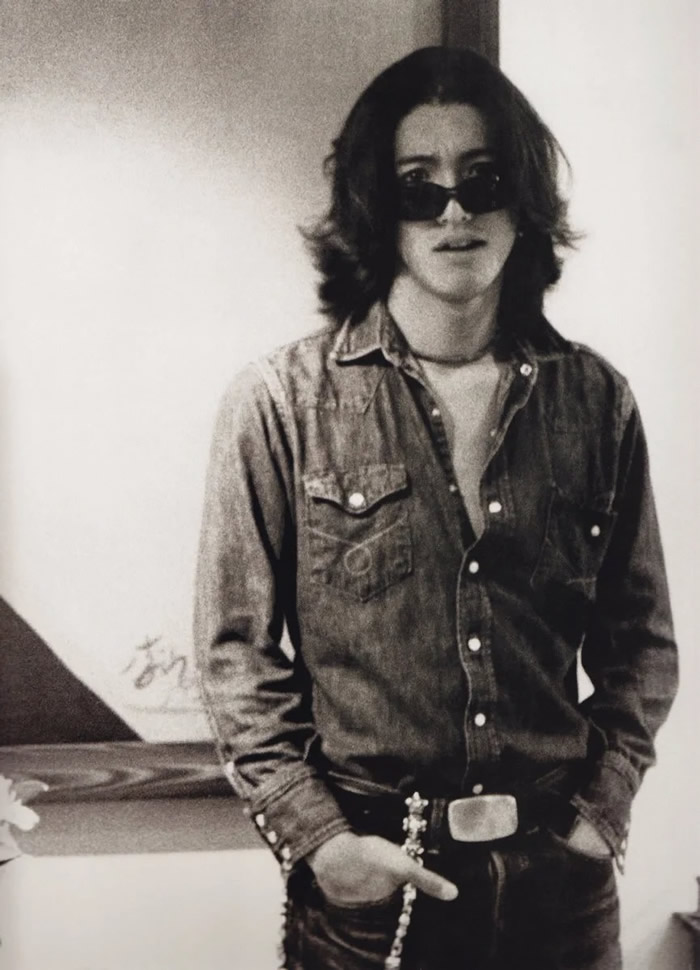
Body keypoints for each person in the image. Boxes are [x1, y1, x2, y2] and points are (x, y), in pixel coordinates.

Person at [194, 47, 678, 970]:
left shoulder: (597, 401)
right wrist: (323, 843)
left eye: (483, 180)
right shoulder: (279, 404)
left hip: (563, 897)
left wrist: (600, 811)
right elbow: (234, 655)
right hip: (376, 896)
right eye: (419, 186)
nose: (455, 212)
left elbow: (643, 642)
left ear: (521, 202)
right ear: (379, 207)